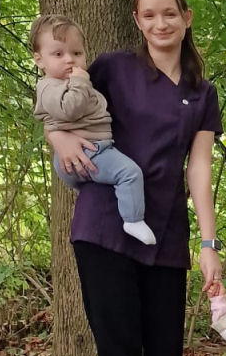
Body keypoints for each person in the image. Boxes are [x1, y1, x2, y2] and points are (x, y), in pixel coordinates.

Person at [46, 0, 222, 356]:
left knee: (165, 344)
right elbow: (61, 109)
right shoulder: (110, 69)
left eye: (168, 14)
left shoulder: (202, 91)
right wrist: (57, 138)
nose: (159, 24)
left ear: (185, 17)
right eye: (148, 16)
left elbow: (200, 168)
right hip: (104, 227)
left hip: (166, 232)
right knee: (120, 344)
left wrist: (208, 245)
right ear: (137, 20)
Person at [32, 15, 156, 246]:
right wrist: (80, 83)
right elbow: (69, 111)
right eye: (58, 54)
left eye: (77, 53)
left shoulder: (71, 82)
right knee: (129, 173)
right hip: (90, 151)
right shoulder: (49, 86)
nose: (70, 60)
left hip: (93, 150)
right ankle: (133, 219)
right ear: (39, 60)